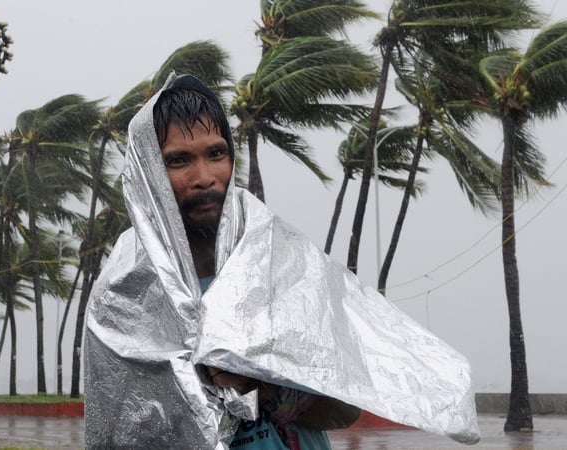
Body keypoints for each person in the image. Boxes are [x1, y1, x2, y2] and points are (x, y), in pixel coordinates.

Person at [84, 74, 479, 449]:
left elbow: (344, 409)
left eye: (216, 153)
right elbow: (119, 433)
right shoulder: (123, 297)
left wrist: (262, 388)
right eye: (178, 160)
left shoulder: (282, 265)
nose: (204, 176)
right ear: (148, 172)